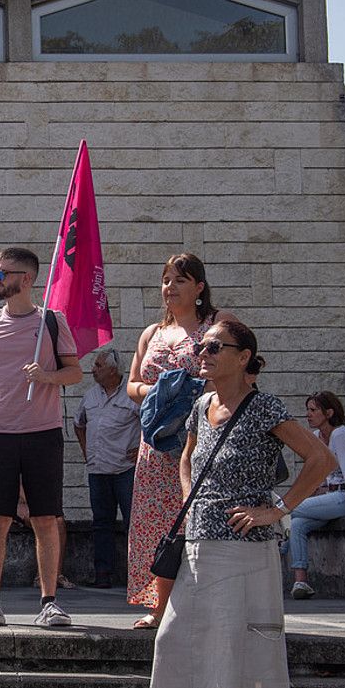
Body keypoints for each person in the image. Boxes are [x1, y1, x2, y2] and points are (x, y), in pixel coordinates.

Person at [109, 320, 333, 688]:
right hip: (197, 547)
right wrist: (192, 503)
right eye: (203, 345)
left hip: (245, 553)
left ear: (244, 357)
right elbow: (187, 457)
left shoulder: (264, 406)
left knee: (246, 651)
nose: (204, 352)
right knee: (172, 643)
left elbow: (320, 459)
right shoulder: (200, 404)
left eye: (215, 346)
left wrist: (277, 510)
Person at [0, 247, 82, 628]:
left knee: (45, 518)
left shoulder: (53, 322)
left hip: (43, 432)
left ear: (27, 279)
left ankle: (49, 600)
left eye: (2, 273)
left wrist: (47, 376)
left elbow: (74, 372)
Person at [125, 254, 234, 630]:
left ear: (199, 287)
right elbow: (131, 385)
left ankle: (208, 605)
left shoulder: (217, 325)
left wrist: (192, 388)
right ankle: (160, 607)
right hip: (156, 447)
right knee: (158, 527)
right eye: (166, 280)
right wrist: (160, 390)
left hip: (200, 438)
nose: (170, 288)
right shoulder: (152, 332)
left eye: (180, 281)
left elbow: (240, 368)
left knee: (200, 521)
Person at [284, 391, 345, 599]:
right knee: (297, 523)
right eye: (308, 410)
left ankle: (281, 547)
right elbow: (317, 476)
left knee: (291, 507)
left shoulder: (340, 435)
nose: (308, 415)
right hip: (331, 498)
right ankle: (301, 581)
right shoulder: (316, 438)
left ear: (329, 412)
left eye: (313, 410)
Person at [73, 347, 140, 588]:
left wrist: (142, 448)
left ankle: (138, 576)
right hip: (98, 470)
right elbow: (78, 423)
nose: (93, 370)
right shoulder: (90, 396)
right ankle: (103, 574)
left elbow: (149, 422)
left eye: (98, 366)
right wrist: (85, 451)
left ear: (113, 370)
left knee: (134, 522)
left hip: (126, 470)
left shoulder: (131, 394)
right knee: (101, 523)